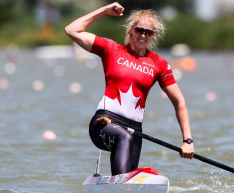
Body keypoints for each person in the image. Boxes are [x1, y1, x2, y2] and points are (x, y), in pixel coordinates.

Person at [65, 2, 194, 176]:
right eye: (140, 30)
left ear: (153, 35)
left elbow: (179, 102)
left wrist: (187, 140)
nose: (143, 35)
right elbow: (71, 30)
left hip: (135, 132)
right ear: (131, 30)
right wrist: (103, 11)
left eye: (149, 32)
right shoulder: (111, 49)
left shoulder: (159, 64)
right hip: (104, 123)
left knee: (127, 175)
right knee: (122, 140)